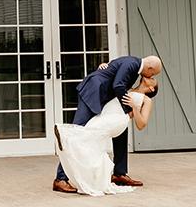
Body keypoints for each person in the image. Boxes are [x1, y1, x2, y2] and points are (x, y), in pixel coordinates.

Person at [52, 54, 163, 194]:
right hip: (93, 93)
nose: (151, 76)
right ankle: (60, 178)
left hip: (106, 102)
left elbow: (114, 73)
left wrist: (105, 67)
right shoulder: (132, 64)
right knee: (79, 132)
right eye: (153, 73)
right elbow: (118, 85)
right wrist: (129, 110)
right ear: (150, 68)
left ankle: (119, 173)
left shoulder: (133, 67)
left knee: (122, 132)